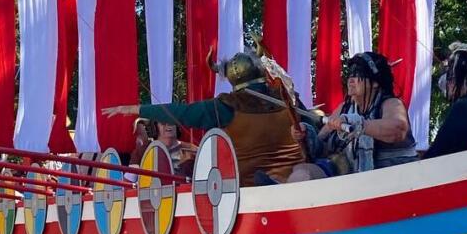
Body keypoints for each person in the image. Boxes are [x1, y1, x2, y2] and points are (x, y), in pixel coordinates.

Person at [103, 51, 305, 186]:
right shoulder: (287, 97)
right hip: (296, 179)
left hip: (249, 188)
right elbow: (314, 129)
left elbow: (180, 112)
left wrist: (132, 108)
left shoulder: (226, 106)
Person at [286, 52, 415, 182]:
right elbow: (321, 144)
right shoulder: (345, 108)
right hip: (349, 174)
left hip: (392, 176)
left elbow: (398, 129)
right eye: (350, 75)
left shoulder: (390, 104)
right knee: (302, 173)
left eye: (358, 75)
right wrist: (305, 134)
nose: (351, 80)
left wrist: (357, 123)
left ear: (375, 82)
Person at [424, 43, 467, 159]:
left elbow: (436, 154)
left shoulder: (465, 107)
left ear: (463, 77)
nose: (449, 84)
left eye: (451, 78)